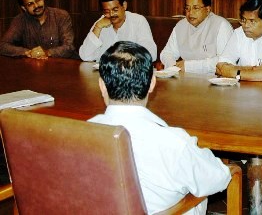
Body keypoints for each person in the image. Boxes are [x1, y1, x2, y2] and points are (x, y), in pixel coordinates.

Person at [90, 41, 231, 214]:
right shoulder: (174, 142)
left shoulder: (79, 135)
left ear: (101, 85)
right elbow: (218, 178)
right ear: (152, 83)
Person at [159, 0, 233, 74]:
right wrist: (173, 67)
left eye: (196, 8)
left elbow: (224, 61)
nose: (190, 13)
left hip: (213, 80)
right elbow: (167, 53)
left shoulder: (221, 25)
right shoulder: (180, 26)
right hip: (185, 79)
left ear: (208, 9)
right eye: (187, 8)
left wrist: (189, 66)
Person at [79, 0, 157, 62]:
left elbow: (151, 54)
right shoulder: (100, 23)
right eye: (106, 11)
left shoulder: (138, 21)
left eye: (115, 10)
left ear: (124, 5)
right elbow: (85, 56)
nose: (111, 14)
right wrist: (97, 27)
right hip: (103, 73)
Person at [0, 0, 76, 59]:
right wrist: (28, 52)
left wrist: (47, 52)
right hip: (33, 67)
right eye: (30, 4)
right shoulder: (20, 21)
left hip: (62, 65)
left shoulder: (61, 16)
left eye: (38, 0)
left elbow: (69, 46)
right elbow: (2, 45)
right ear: (24, 8)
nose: (36, 6)